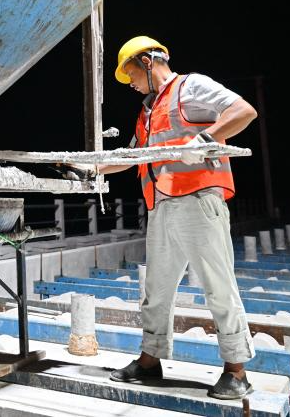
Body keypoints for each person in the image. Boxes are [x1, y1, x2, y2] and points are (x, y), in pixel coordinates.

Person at [94, 36, 259, 400]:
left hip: (199, 200)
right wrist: (92, 168)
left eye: (130, 73)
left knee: (218, 287)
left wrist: (205, 139)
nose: (130, 82)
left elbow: (243, 110)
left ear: (148, 61)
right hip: (161, 207)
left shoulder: (191, 86)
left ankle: (236, 370)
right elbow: (133, 157)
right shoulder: (148, 112)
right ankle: (149, 361)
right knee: (156, 291)